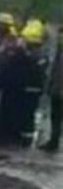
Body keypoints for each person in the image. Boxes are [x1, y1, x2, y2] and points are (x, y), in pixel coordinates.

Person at [39, 25, 62, 154]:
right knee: (55, 116)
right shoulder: (58, 51)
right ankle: (53, 141)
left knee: (57, 116)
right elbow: (54, 71)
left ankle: (54, 141)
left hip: (59, 89)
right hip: (56, 89)